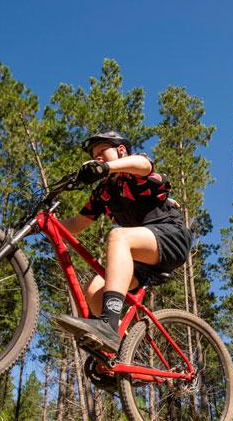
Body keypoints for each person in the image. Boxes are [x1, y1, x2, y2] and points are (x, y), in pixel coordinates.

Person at [55, 130, 193, 353]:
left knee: (118, 235)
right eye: (93, 155)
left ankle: (108, 325)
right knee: (93, 289)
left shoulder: (134, 172)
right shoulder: (103, 192)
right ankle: (120, 353)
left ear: (121, 151)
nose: (97, 157)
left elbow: (144, 164)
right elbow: (78, 223)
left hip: (171, 237)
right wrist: (42, 224)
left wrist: (107, 167)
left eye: (102, 151)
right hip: (141, 258)